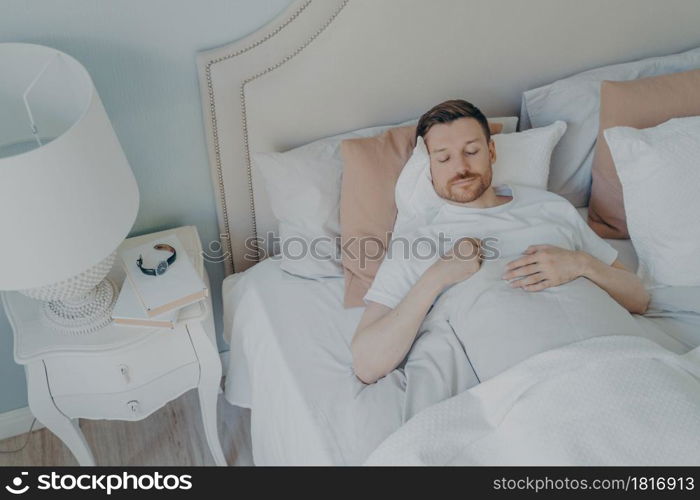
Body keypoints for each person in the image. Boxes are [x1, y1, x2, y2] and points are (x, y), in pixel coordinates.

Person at [351, 99, 650, 384]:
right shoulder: (418, 239)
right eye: (443, 157)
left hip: (621, 354)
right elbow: (366, 363)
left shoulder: (550, 207)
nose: (460, 168)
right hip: (530, 377)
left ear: (491, 152)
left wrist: (581, 264)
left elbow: (639, 298)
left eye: (471, 151)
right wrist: (436, 277)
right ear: (430, 166)